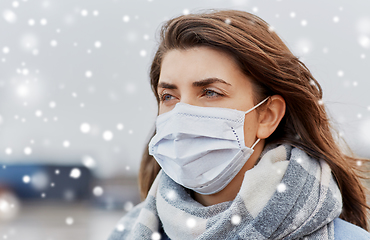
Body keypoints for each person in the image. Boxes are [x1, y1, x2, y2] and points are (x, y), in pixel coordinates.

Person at [109, 9, 370, 239]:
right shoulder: (126, 233)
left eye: (210, 92)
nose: (181, 114)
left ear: (267, 116)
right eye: (169, 96)